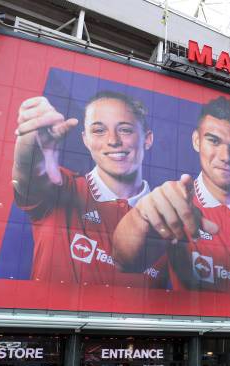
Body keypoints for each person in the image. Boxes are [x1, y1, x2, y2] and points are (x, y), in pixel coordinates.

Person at [113, 96, 230, 296]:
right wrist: (141, 217)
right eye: (214, 141)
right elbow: (125, 261)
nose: (226, 157)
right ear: (196, 140)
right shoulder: (173, 203)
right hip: (196, 328)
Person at [11, 91, 154, 285]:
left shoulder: (168, 217)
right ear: (85, 139)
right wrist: (30, 146)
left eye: (125, 130)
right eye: (98, 130)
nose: (113, 140)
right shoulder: (61, 189)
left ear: (147, 139)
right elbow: (28, 176)